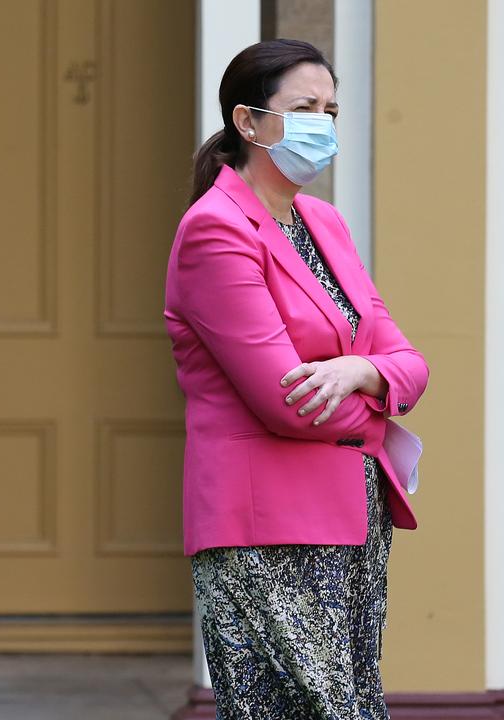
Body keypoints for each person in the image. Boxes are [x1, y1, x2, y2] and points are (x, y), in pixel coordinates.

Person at [164, 39, 429, 717]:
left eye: (331, 109)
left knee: (353, 704)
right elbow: (290, 402)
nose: (323, 123)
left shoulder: (324, 222)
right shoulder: (215, 230)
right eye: (304, 107)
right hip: (266, 526)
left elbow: (409, 361)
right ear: (247, 122)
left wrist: (361, 369)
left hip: (354, 513)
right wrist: (377, 401)